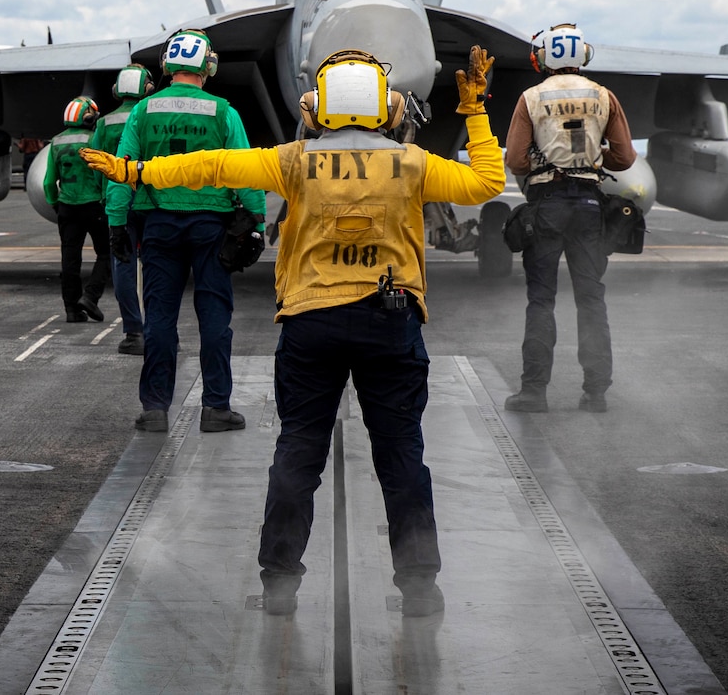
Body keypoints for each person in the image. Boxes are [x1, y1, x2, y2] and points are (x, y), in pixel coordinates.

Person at [83, 45, 504, 617]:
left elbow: (210, 166)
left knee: (298, 453)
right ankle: (421, 590)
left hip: (311, 321)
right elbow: (487, 183)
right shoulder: (413, 163)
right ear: (386, 107)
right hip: (392, 320)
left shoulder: (294, 161)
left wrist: (138, 172)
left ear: (318, 107)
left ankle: (279, 584)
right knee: (402, 455)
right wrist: (475, 111)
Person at [104, 29, 265, 435]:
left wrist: (117, 224)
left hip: (157, 223)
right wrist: (256, 222)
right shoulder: (223, 111)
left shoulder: (143, 111)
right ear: (207, 65)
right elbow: (245, 171)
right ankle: (216, 408)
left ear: (167, 65)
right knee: (214, 315)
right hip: (211, 225)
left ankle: (155, 408)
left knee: (159, 317)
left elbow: (122, 171)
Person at [503, 23, 636, 414]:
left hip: (547, 204)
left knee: (541, 300)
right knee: (591, 300)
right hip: (590, 206)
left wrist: (541, 162)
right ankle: (596, 393)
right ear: (584, 57)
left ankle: (534, 392)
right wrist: (596, 159)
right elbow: (625, 157)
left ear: (542, 58)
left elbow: (515, 159)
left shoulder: (531, 97)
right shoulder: (603, 96)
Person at [95, 64, 155, 355]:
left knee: (123, 264)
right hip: (151, 200)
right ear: (148, 89)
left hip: (118, 202)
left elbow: (97, 163)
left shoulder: (104, 124)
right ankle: (160, 330)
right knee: (159, 266)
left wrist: (104, 196)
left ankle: (133, 332)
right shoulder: (151, 117)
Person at [44, 97, 110, 324]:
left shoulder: (56, 141)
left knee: (70, 258)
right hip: (93, 204)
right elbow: (101, 174)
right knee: (107, 252)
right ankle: (90, 297)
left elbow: (48, 183)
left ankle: (72, 310)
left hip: (67, 207)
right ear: (89, 117)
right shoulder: (94, 140)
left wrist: (56, 203)